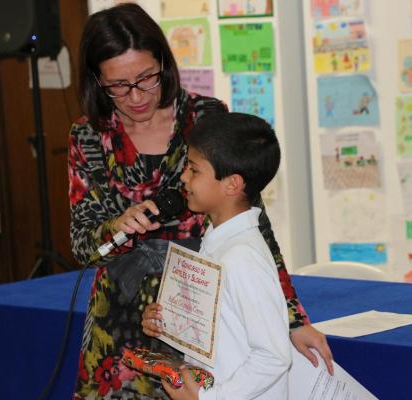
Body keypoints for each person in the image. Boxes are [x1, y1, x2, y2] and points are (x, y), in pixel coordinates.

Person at [69, 4, 332, 399]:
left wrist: (293, 319)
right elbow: (83, 245)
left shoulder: (205, 116)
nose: (136, 95)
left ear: (164, 63)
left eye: (146, 78)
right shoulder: (87, 137)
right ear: (96, 82)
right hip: (122, 326)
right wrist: (117, 226)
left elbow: (252, 221)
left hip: (207, 320)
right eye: (119, 86)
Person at [148, 112, 292, 399]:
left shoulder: (241, 258)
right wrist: (168, 322)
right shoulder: (217, 243)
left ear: (231, 185)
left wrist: (206, 399)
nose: (184, 177)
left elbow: (274, 356)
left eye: (194, 169)